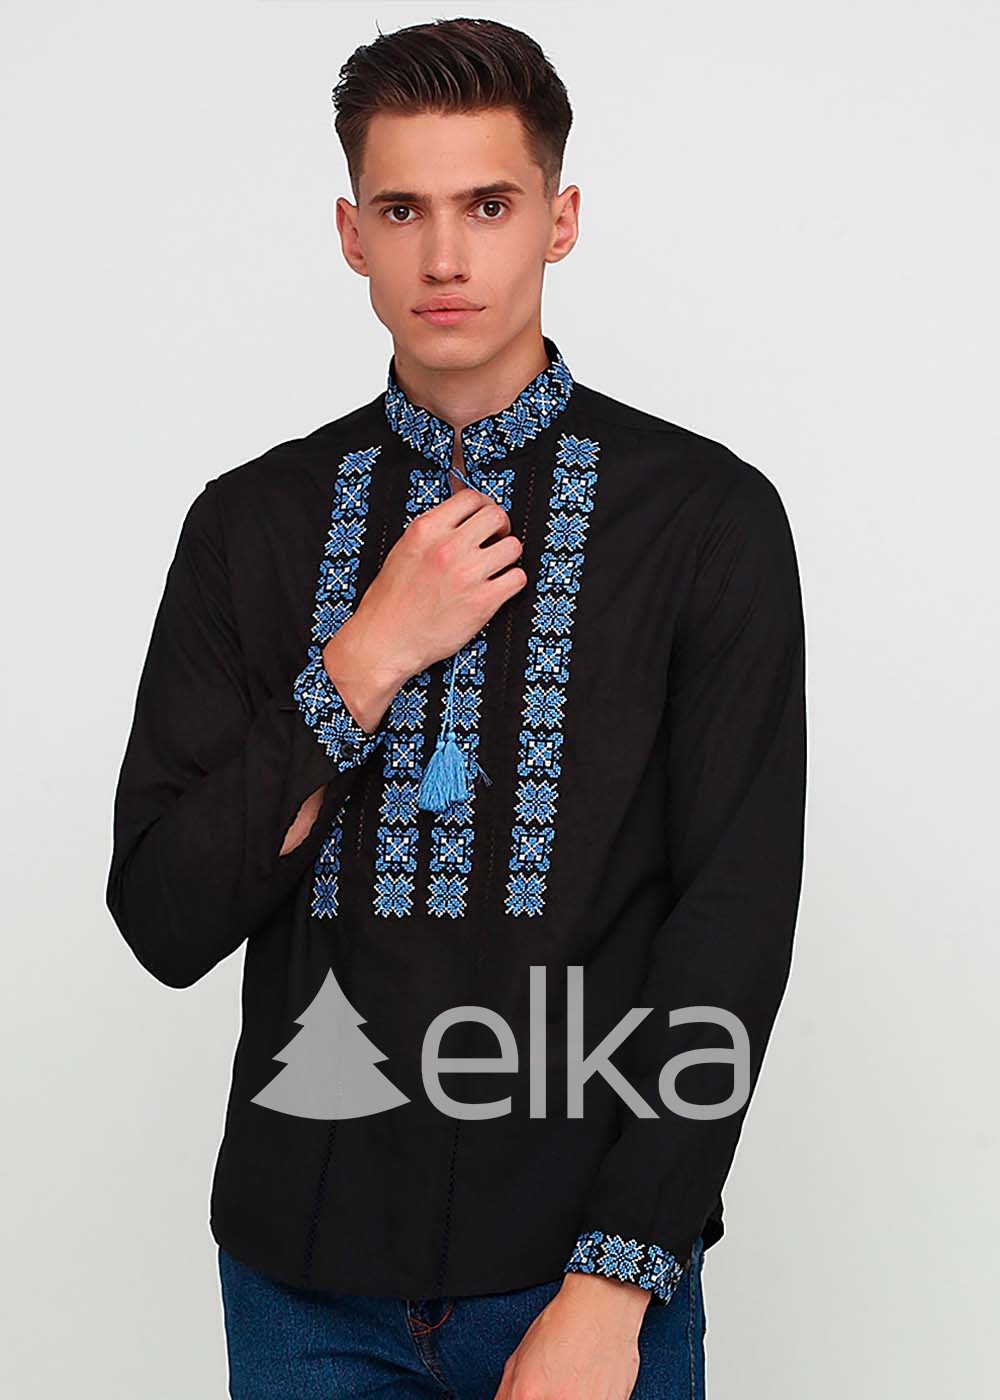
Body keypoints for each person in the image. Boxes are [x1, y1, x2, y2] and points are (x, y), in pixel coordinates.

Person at [106, 16, 806, 1399]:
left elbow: (729, 931)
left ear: (561, 220)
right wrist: (364, 658)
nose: (444, 257)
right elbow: (163, 919)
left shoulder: (704, 521)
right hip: (304, 1289)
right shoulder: (251, 525)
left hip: (581, 1272)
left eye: (488, 205)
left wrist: (616, 1286)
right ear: (350, 234)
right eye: (402, 210)